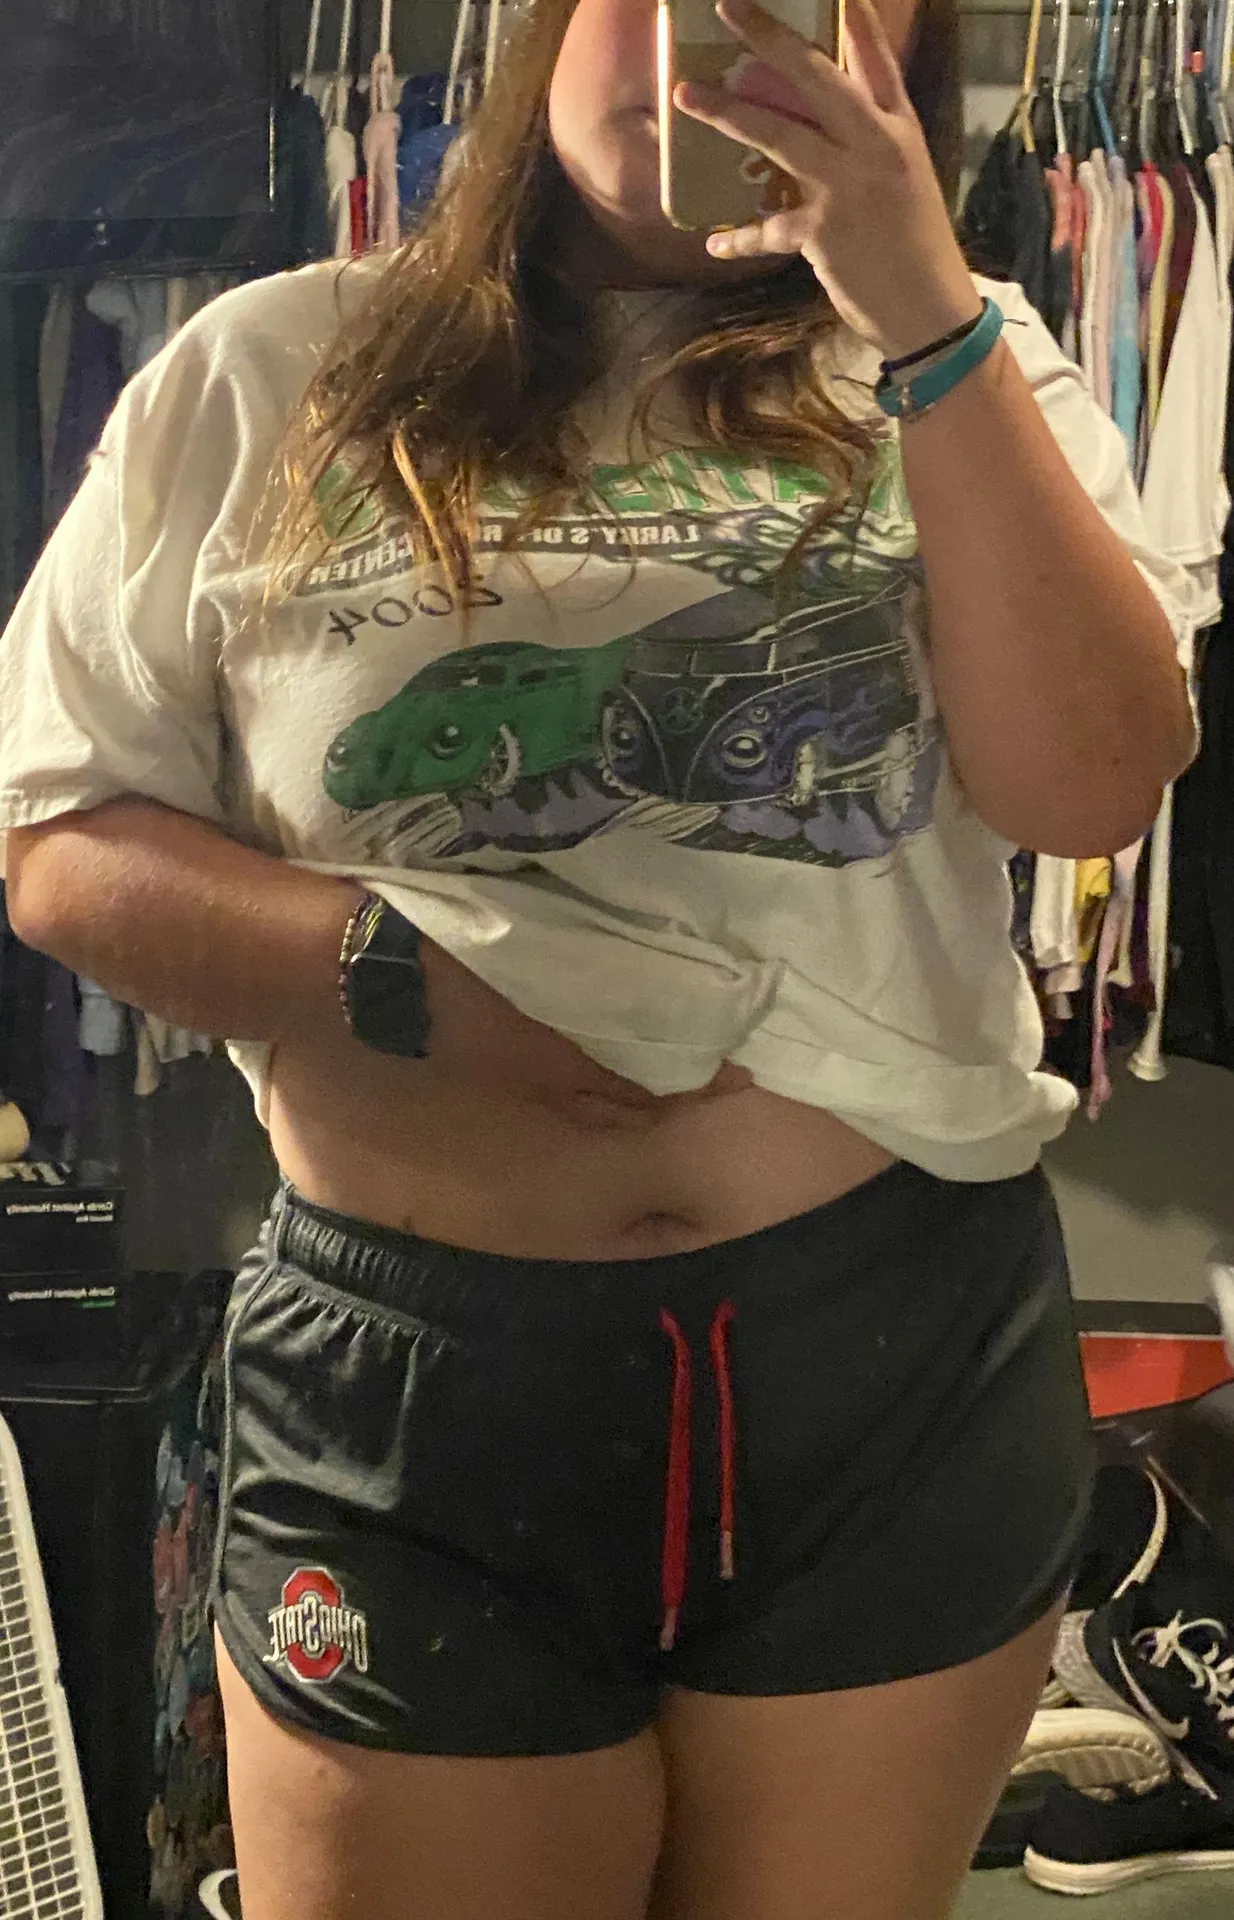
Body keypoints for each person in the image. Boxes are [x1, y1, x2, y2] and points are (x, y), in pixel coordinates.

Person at [0, 1, 1196, 1916]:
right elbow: (58, 838)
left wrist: (924, 318)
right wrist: (387, 977)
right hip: (417, 1381)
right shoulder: (267, 366)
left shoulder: (977, 361)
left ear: (893, 54)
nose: (700, 47)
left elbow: (1089, 786)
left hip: (879, 1356)